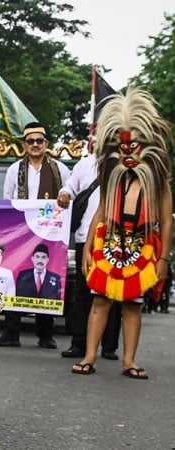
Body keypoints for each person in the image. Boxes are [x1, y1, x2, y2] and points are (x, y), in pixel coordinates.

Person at [73, 88, 172, 379]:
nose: (129, 153)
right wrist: (88, 247)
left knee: (133, 305)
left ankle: (129, 360)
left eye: (135, 146)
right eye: (124, 147)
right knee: (100, 301)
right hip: (110, 242)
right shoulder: (111, 179)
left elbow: (166, 221)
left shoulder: (159, 183)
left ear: (147, 146)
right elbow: (100, 213)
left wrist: (164, 259)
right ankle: (89, 356)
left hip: (142, 246)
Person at [0, 122, 70, 349]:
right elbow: (8, 200)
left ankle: (45, 334)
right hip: (20, 232)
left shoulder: (61, 170)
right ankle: (11, 332)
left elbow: (68, 197)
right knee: (17, 277)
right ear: (24, 145)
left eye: (39, 141)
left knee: (48, 276)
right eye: (30, 141)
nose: (35, 145)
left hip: (49, 231)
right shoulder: (14, 170)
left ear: (46, 144)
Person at [56, 154, 121, 359]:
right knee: (83, 292)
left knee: (114, 292)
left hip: (117, 238)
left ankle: (109, 346)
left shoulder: (126, 163)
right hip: (87, 236)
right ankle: (79, 343)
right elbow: (69, 187)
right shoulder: (85, 164)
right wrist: (64, 194)